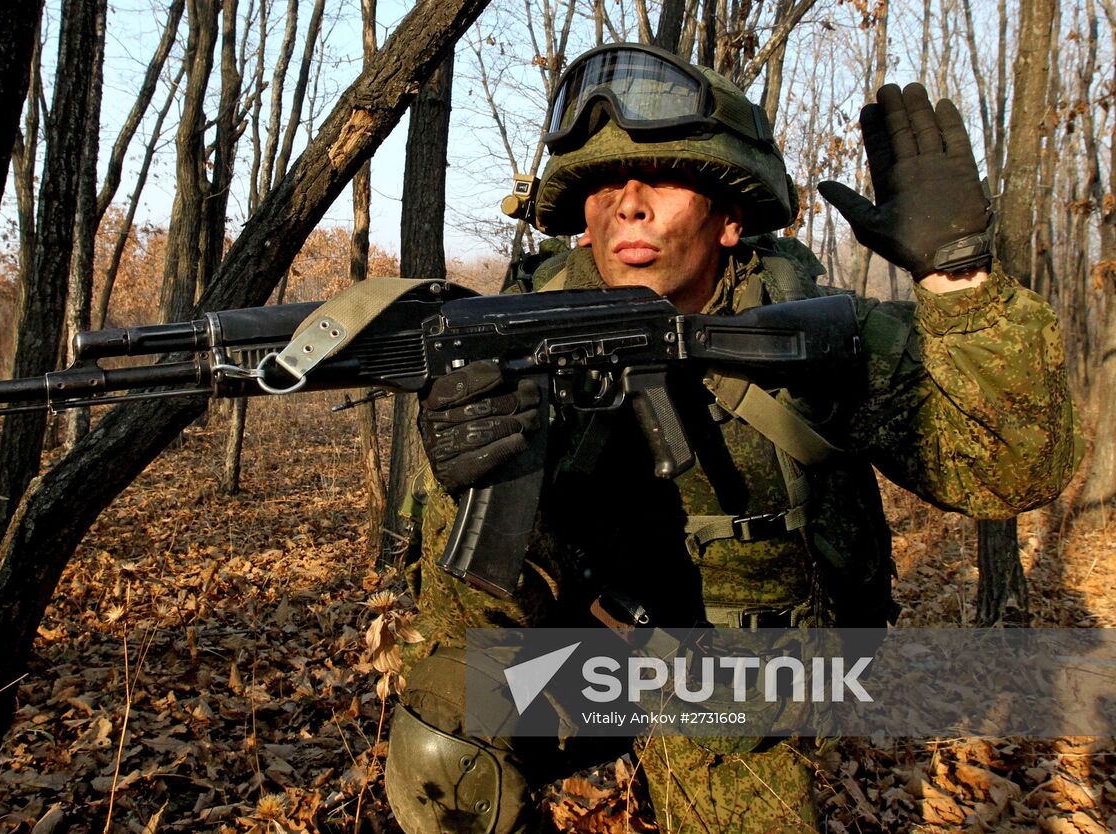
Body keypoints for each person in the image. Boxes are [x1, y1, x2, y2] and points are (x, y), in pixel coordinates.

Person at [382, 43, 1080, 834]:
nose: (629, 204)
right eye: (605, 182)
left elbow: (1012, 471)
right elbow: (464, 623)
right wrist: (470, 475)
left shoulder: (809, 333)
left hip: (739, 689)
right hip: (585, 652)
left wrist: (960, 283)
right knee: (439, 750)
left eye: (666, 179)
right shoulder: (522, 330)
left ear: (731, 216)